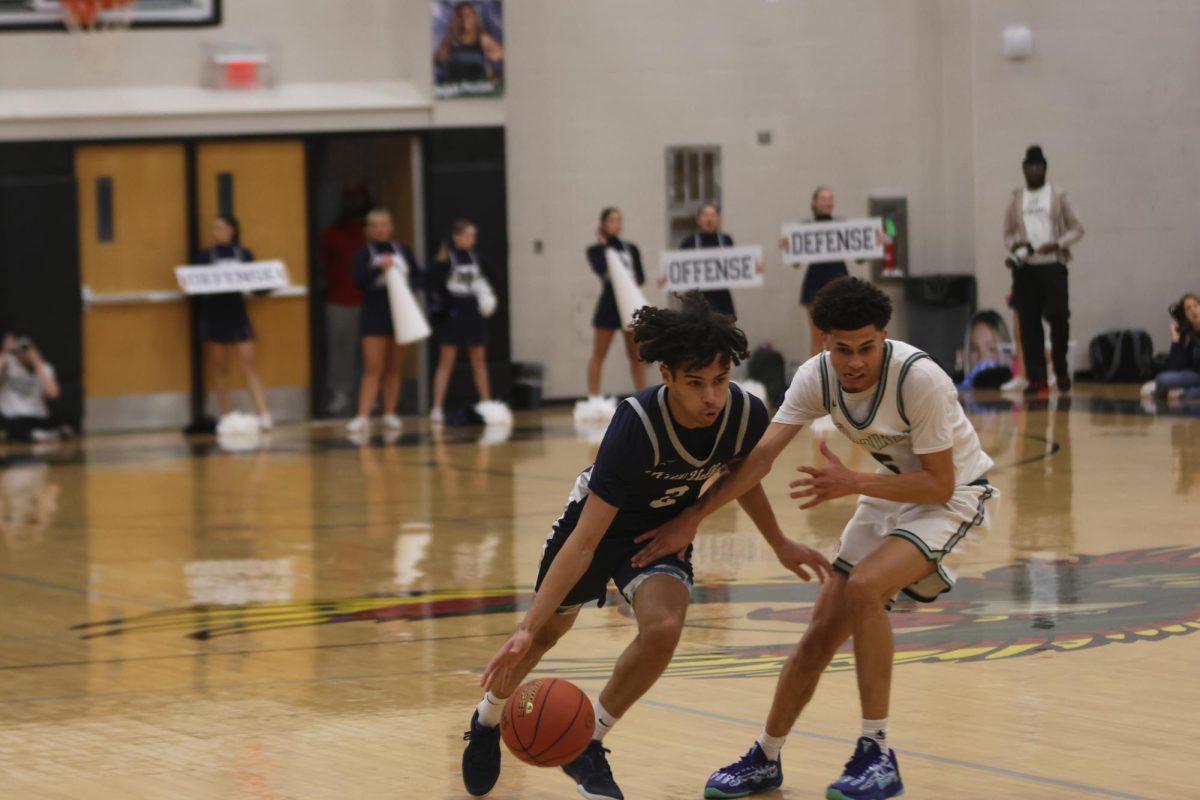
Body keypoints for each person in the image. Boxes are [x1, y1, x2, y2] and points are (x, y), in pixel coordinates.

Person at [631, 278, 997, 800]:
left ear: (884, 337)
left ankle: (878, 754)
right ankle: (766, 756)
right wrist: (694, 517)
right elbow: (758, 458)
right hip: (889, 492)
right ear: (823, 339)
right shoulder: (815, 377)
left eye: (866, 348)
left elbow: (940, 484)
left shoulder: (920, 380)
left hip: (955, 497)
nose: (854, 361)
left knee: (865, 588)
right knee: (818, 635)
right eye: (842, 348)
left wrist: (854, 483)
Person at [460, 292, 832, 800]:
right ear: (667, 377)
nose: (711, 398)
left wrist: (778, 541)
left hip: (664, 527)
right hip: (597, 526)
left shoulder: (744, 412)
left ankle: (590, 743)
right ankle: (488, 719)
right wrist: (525, 628)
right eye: (695, 384)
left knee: (664, 628)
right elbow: (587, 540)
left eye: (720, 381)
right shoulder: (635, 424)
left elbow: (746, 476)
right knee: (543, 638)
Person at [1003, 145, 1085, 395]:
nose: (1034, 171)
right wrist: (1015, 245)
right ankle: (1036, 377)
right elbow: (1007, 233)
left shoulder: (1058, 195)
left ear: (1045, 169)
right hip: (1027, 269)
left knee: (1059, 317)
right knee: (1029, 324)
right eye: (1030, 167)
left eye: (1038, 167)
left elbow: (1077, 228)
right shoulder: (1017, 197)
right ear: (1024, 169)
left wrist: (1057, 244)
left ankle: (1060, 369)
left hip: (1053, 265)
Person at [347, 209, 421, 435]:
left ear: (391, 227)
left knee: (394, 367)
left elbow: (418, 276)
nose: (381, 229)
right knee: (373, 366)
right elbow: (359, 281)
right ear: (368, 230)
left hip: (400, 311)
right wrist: (379, 268)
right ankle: (363, 415)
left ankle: (390, 412)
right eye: (376, 225)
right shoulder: (362, 254)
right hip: (374, 311)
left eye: (384, 224)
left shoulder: (404, 251)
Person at [195, 215, 272, 430]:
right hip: (214, 313)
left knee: (249, 364)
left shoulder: (244, 254)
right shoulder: (205, 256)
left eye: (220, 227)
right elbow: (195, 283)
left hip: (237, 312)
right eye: (214, 228)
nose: (215, 232)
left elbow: (257, 284)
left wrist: (269, 284)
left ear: (232, 230)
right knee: (220, 367)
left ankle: (264, 413)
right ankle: (226, 415)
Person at [430, 219, 498, 422]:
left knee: (479, 360)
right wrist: (444, 305)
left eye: (473, 236)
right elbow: (432, 282)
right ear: (456, 236)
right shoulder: (446, 258)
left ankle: (486, 403)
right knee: (446, 361)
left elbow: (493, 277)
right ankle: (437, 406)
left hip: (472, 312)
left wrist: (487, 297)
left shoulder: (476, 257)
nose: (471, 240)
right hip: (454, 312)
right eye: (467, 235)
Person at [781, 186, 852, 358]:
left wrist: (875, 243)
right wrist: (788, 249)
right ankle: (816, 380)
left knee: (841, 334)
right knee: (818, 337)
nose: (827, 202)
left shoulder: (843, 226)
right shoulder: (806, 227)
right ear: (814, 202)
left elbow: (860, 257)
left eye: (830, 198)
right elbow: (796, 262)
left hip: (839, 281)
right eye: (823, 198)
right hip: (815, 283)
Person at [319, 183, 370, 415]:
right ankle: (341, 392)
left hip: (370, 300)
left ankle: (373, 395)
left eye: (358, 196)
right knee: (341, 349)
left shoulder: (371, 234)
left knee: (373, 351)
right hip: (339, 299)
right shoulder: (331, 233)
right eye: (350, 197)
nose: (355, 202)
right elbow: (323, 265)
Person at [586, 207, 647, 397]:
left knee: (636, 355)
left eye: (618, 220)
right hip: (609, 303)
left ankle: (643, 396)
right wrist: (604, 245)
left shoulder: (631, 248)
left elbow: (641, 277)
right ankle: (594, 399)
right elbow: (600, 269)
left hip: (629, 304)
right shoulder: (596, 250)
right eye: (611, 220)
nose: (616, 224)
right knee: (599, 353)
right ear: (603, 224)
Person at [678, 204, 738, 318]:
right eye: (705, 215)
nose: (709, 219)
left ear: (718, 219)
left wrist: (754, 270)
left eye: (712, 215)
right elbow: (679, 267)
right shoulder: (689, 242)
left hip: (721, 296)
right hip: (696, 297)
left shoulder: (726, 241)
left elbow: (735, 265)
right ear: (698, 219)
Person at [0, 334, 61, 442]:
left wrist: (37, 362)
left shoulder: (44, 368)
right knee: (12, 426)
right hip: (11, 417)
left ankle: (31, 434)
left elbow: (53, 393)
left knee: (54, 421)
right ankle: (33, 435)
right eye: (21, 349)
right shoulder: (8, 365)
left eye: (27, 348)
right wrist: (5, 353)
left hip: (35, 417)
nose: (25, 352)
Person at [1146, 292, 1200, 401]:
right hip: (1195, 375)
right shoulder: (1186, 335)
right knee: (1162, 379)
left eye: (1196, 306)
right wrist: (1176, 340)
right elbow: (1175, 368)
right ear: (1185, 316)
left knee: (1189, 394)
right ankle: (1183, 393)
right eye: (1188, 309)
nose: (1193, 310)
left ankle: (1185, 393)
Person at [434, 1, 504, 84]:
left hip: (478, 86)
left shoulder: (482, 38)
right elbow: (437, 57)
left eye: (468, 14)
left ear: (475, 18)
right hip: (455, 85)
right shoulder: (450, 37)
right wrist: (441, 55)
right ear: (457, 18)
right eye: (462, 15)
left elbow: (501, 53)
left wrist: (492, 55)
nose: (465, 17)